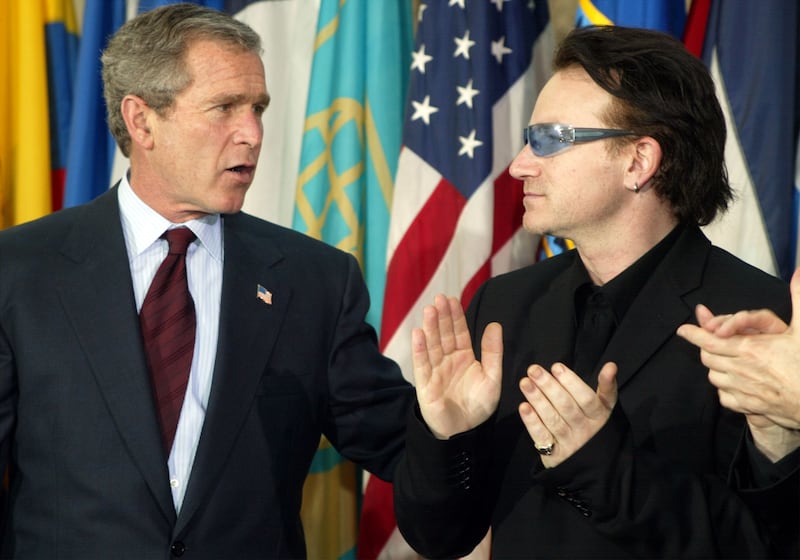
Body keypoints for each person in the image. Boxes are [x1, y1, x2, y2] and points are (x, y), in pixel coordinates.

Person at [0, 4, 413, 559]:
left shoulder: (315, 279)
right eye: (225, 108)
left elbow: (398, 446)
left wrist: (457, 423)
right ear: (142, 120)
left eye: (258, 108)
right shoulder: (21, 269)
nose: (252, 134)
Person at [393, 25, 800, 559]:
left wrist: (600, 466)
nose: (519, 165)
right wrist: (447, 437)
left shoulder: (764, 325)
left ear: (639, 162)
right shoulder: (506, 305)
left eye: (549, 140)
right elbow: (438, 537)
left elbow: (762, 546)